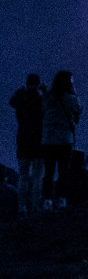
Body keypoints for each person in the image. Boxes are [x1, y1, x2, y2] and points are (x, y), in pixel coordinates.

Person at [41, 70, 80, 210]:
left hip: (48, 139)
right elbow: (77, 113)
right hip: (65, 139)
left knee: (48, 172)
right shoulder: (72, 99)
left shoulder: (46, 97)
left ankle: (47, 200)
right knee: (64, 171)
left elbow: (42, 111)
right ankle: (61, 199)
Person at [9, 74, 44, 214]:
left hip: (23, 140)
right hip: (39, 141)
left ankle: (22, 207)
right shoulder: (41, 99)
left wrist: (21, 90)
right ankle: (35, 207)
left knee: (23, 175)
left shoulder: (21, 99)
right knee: (37, 176)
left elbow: (12, 101)